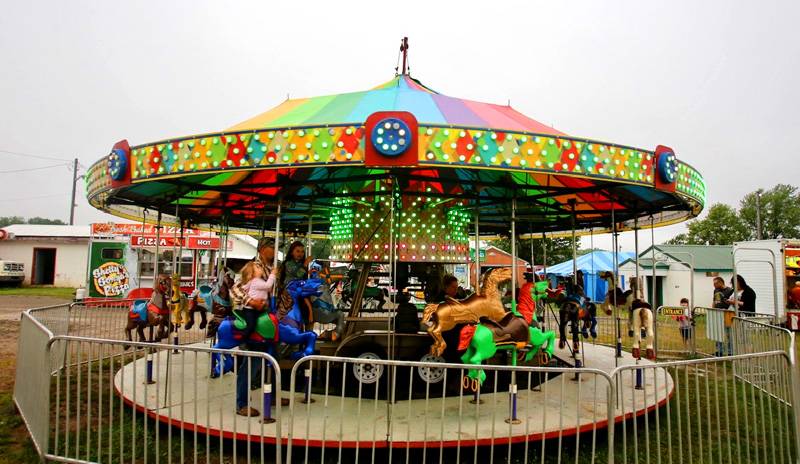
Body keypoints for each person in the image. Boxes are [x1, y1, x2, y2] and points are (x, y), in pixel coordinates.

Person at [231, 237, 286, 417]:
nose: (274, 250)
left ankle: (273, 395)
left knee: (275, 357)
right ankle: (241, 403)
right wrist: (251, 301)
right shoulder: (252, 267)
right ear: (263, 249)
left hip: (268, 316)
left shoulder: (272, 268)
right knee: (252, 361)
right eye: (272, 247)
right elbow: (236, 289)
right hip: (255, 314)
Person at [233, 261, 275, 341]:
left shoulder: (258, 281)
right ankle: (243, 337)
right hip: (250, 309)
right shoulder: (256, 281)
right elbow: (268, 285)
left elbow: (268, 288)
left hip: (259, 308)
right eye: (258, 267)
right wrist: (272, 275)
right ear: (252, 272)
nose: (261, 268)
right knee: (251, 325)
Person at [277, 241, 313, 323]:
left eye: (302, 251)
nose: (300, 253)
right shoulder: (288, 263)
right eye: (297, 251)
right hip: (289, 290)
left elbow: (303, 276)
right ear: (291, 252)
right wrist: (305, 264)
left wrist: (309, 273)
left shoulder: (300, 264)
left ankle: (308, 318)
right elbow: (298, 274)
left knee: (310, 298)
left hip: (298, 289)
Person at [712, 276, 733, 356]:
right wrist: (712, 310)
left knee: (729, 334)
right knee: (718, 333)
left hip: (727, 314)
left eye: (715, 283)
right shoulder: (715, 290)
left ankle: (730, 352)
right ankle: (719, 351)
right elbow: (714, 301)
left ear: (721, 282)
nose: (714, 285)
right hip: (717, 314)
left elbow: (731, 302)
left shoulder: (729, 290)